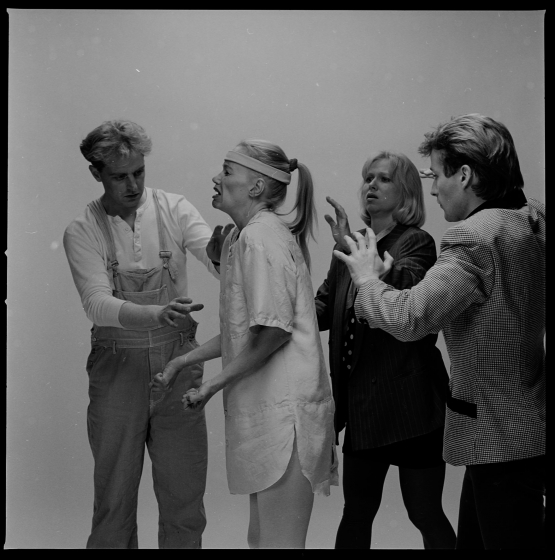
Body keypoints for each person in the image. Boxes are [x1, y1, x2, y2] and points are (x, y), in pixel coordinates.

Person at [334, 114, 545, 549]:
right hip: (527, 425)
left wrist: (367, 279)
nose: (432, 190)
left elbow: (411, 318)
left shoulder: (473, 237)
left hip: (497, 436)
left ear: (464, 175)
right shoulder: (533, 218)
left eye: (436, 175)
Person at [151, 139, 337, 549]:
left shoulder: (260, 238)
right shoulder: (244, 237)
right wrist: (183, 361)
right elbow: (243, 331)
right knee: (262, 540)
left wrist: (210, 386)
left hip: (286, 419)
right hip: (270, 419)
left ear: (256, 187)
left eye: (227, 171)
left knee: (278, 544)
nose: (216, 179)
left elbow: (274, 333)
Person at [63, 119, 224, 549]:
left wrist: (227, 255)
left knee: (185, 498)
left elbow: (217, 261)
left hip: (178, 365)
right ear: (96, 172)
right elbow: (97, 304)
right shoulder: (83, 229)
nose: (133, 185)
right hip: (117, 369)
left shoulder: (174, 209)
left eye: (139, 172)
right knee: (113, 503)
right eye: (120, 177)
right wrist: (157, 314)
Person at [315, 151, 456, 549]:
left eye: (384, 179)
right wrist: (273, 301)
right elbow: (323, 308)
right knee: (357, 512)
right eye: (368, 178)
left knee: (424, 512)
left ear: (406, 191)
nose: (371, 186)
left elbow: (408, 291)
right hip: (363, 406)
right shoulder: (352, 245)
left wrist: (363, 258)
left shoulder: (417, 241)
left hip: (412, 406)